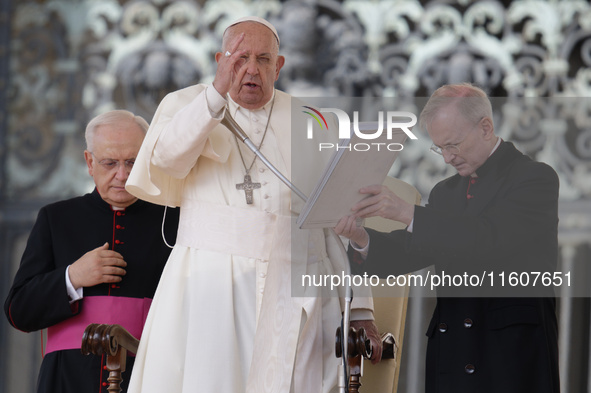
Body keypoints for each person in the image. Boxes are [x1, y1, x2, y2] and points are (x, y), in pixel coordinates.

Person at [125, 16, 379, 393]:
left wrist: (359, 308)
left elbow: (333, 219)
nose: (251, 69)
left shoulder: (312, 120)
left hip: (297, 288)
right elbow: (166, 160)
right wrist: (214, 96)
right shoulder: (185, 103)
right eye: (239, 58)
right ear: (220, 60)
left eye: (263, 59)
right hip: (210, 284)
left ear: (278, 67)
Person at [335, 83, 560, 393]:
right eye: (439, 147)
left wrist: (408, 212)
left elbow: (488, 239)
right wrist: (361, 239)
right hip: (453, 355)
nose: (447, 158)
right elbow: (412, 250)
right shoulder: (447, 192)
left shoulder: (535, 178)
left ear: (485, 127)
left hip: (509, 357)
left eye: (453, 144)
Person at [4, 110, 179, 393]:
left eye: (133, 162)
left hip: (148, 377)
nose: (122, 175)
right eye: (110, 163)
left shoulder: (172, 222)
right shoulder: (56, 219)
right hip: (66, 379)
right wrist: (72, 277)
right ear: (89, 162)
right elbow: (18, 312)